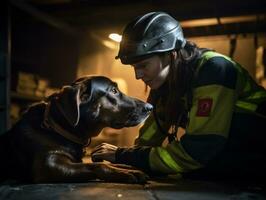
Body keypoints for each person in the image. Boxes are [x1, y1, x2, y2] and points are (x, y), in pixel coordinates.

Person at [91, 11, 266, 181]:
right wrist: (130, 159)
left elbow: (197, 152)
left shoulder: (214, 69)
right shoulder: (170, 83)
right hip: (236, 156)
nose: (138, 75)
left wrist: (124, 156)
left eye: (143, 65)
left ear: (170, 55)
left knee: (199, 168)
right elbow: (150, 135)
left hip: (255, 149)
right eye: (134, 67)